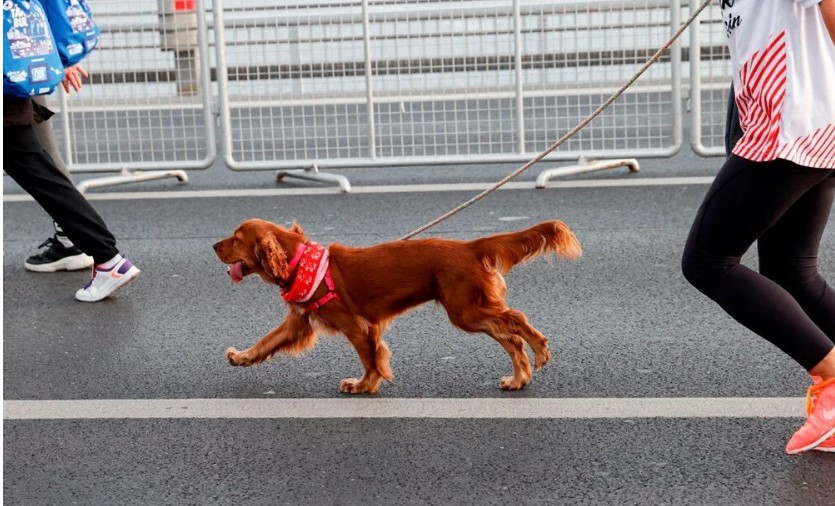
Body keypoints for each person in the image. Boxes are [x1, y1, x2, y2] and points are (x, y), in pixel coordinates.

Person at [682, 0, 835, 454]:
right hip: (808, 120)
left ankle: (831, 378)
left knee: (708, 262)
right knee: (792, 272)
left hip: (790, 125)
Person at [4, 65, 140, 302]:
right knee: (43, 176)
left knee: (43, 177)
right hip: (11, 84)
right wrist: (57, 60)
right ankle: (106, 257)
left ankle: (107, 258)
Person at [23, 82, 94, 273]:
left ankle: (71, 240)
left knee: (42, 149)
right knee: (45, 150)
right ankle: (72, 238)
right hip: (23, 68)